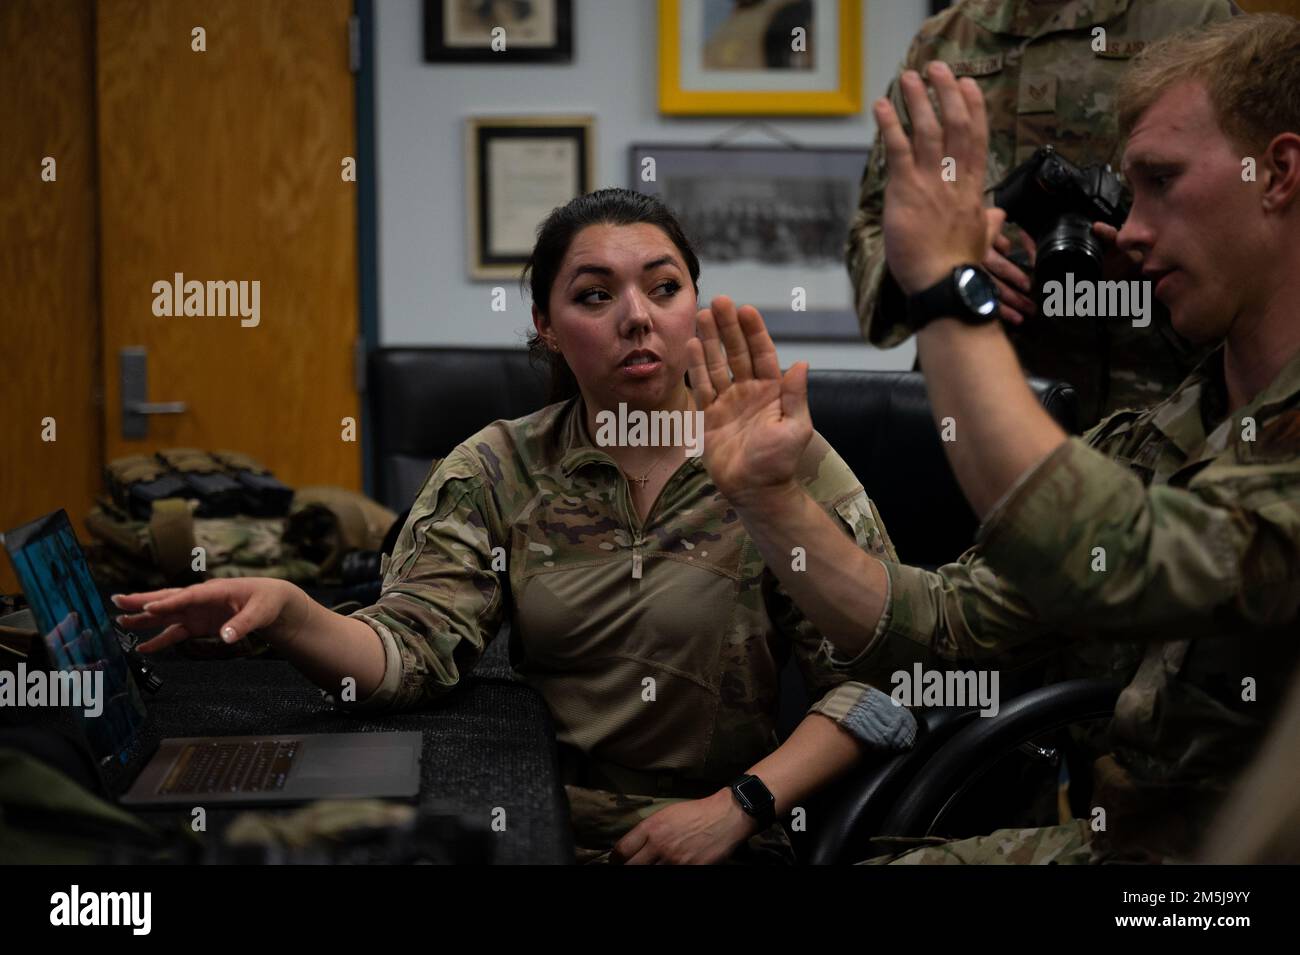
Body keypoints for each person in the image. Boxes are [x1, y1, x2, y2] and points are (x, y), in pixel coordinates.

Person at [112, 189, 914, 865]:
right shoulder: (497, 468)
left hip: (720, 833)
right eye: (594, 295)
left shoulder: (781, 459)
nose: (635, 316)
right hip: (537, 820)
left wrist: (738, 805)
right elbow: (408, 652)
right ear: (546, 325)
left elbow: (879, 676)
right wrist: (294, 612)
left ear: (693, 306)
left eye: (663, 288)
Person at [686, 14, 1300, 863]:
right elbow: (935, 625)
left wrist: (947, 289)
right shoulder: (1167, 437)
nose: (1130, 229)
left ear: (1277, 173)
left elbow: (1127, 561)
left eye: (1160, 181)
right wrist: (770, 499)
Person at [847, 0, 1238, 430]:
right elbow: (875, 225)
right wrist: (939, 265)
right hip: (972, 419)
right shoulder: (943, 42)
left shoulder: (1196, 19)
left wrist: (1147, 251)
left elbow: (1263, 215)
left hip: (1158, 420)